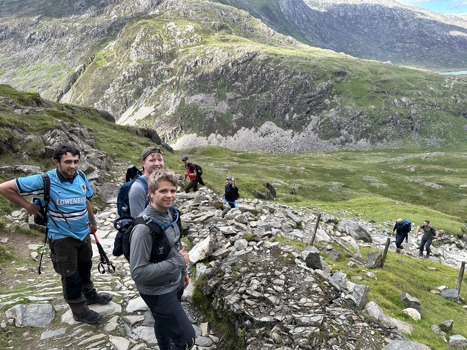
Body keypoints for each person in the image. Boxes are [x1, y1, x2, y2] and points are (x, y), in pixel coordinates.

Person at [0, 145, 112, 324]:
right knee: (70, 274)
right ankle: (80, 311)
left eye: (76, 161)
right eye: (68, 162)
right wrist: (27, 206)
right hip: (61, 237)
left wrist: (92, 222)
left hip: (83, 233)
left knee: (85, 266)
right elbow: (4, 187)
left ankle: (90, 295)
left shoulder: (81, 177)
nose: (73, 166)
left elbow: (86, 201)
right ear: (56, 162)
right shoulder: (44, 180)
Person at [130, 169, 195, 349]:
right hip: (157, 291)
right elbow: (138, 273)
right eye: (163, 191)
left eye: (173, 191)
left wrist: (183, 272)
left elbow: (175, 246)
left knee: (163, 323)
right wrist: (178, 263)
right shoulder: (143, 229)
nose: (169, 195)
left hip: (174, 282)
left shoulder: (172, 214)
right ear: (151, 194)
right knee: (186, 339)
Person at [128, 146, 165, 218]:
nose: (157, 163)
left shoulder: (162, 183)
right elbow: (137, 220)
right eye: (152, 160)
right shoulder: (138, 188)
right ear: (143, 164)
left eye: (160, 160)